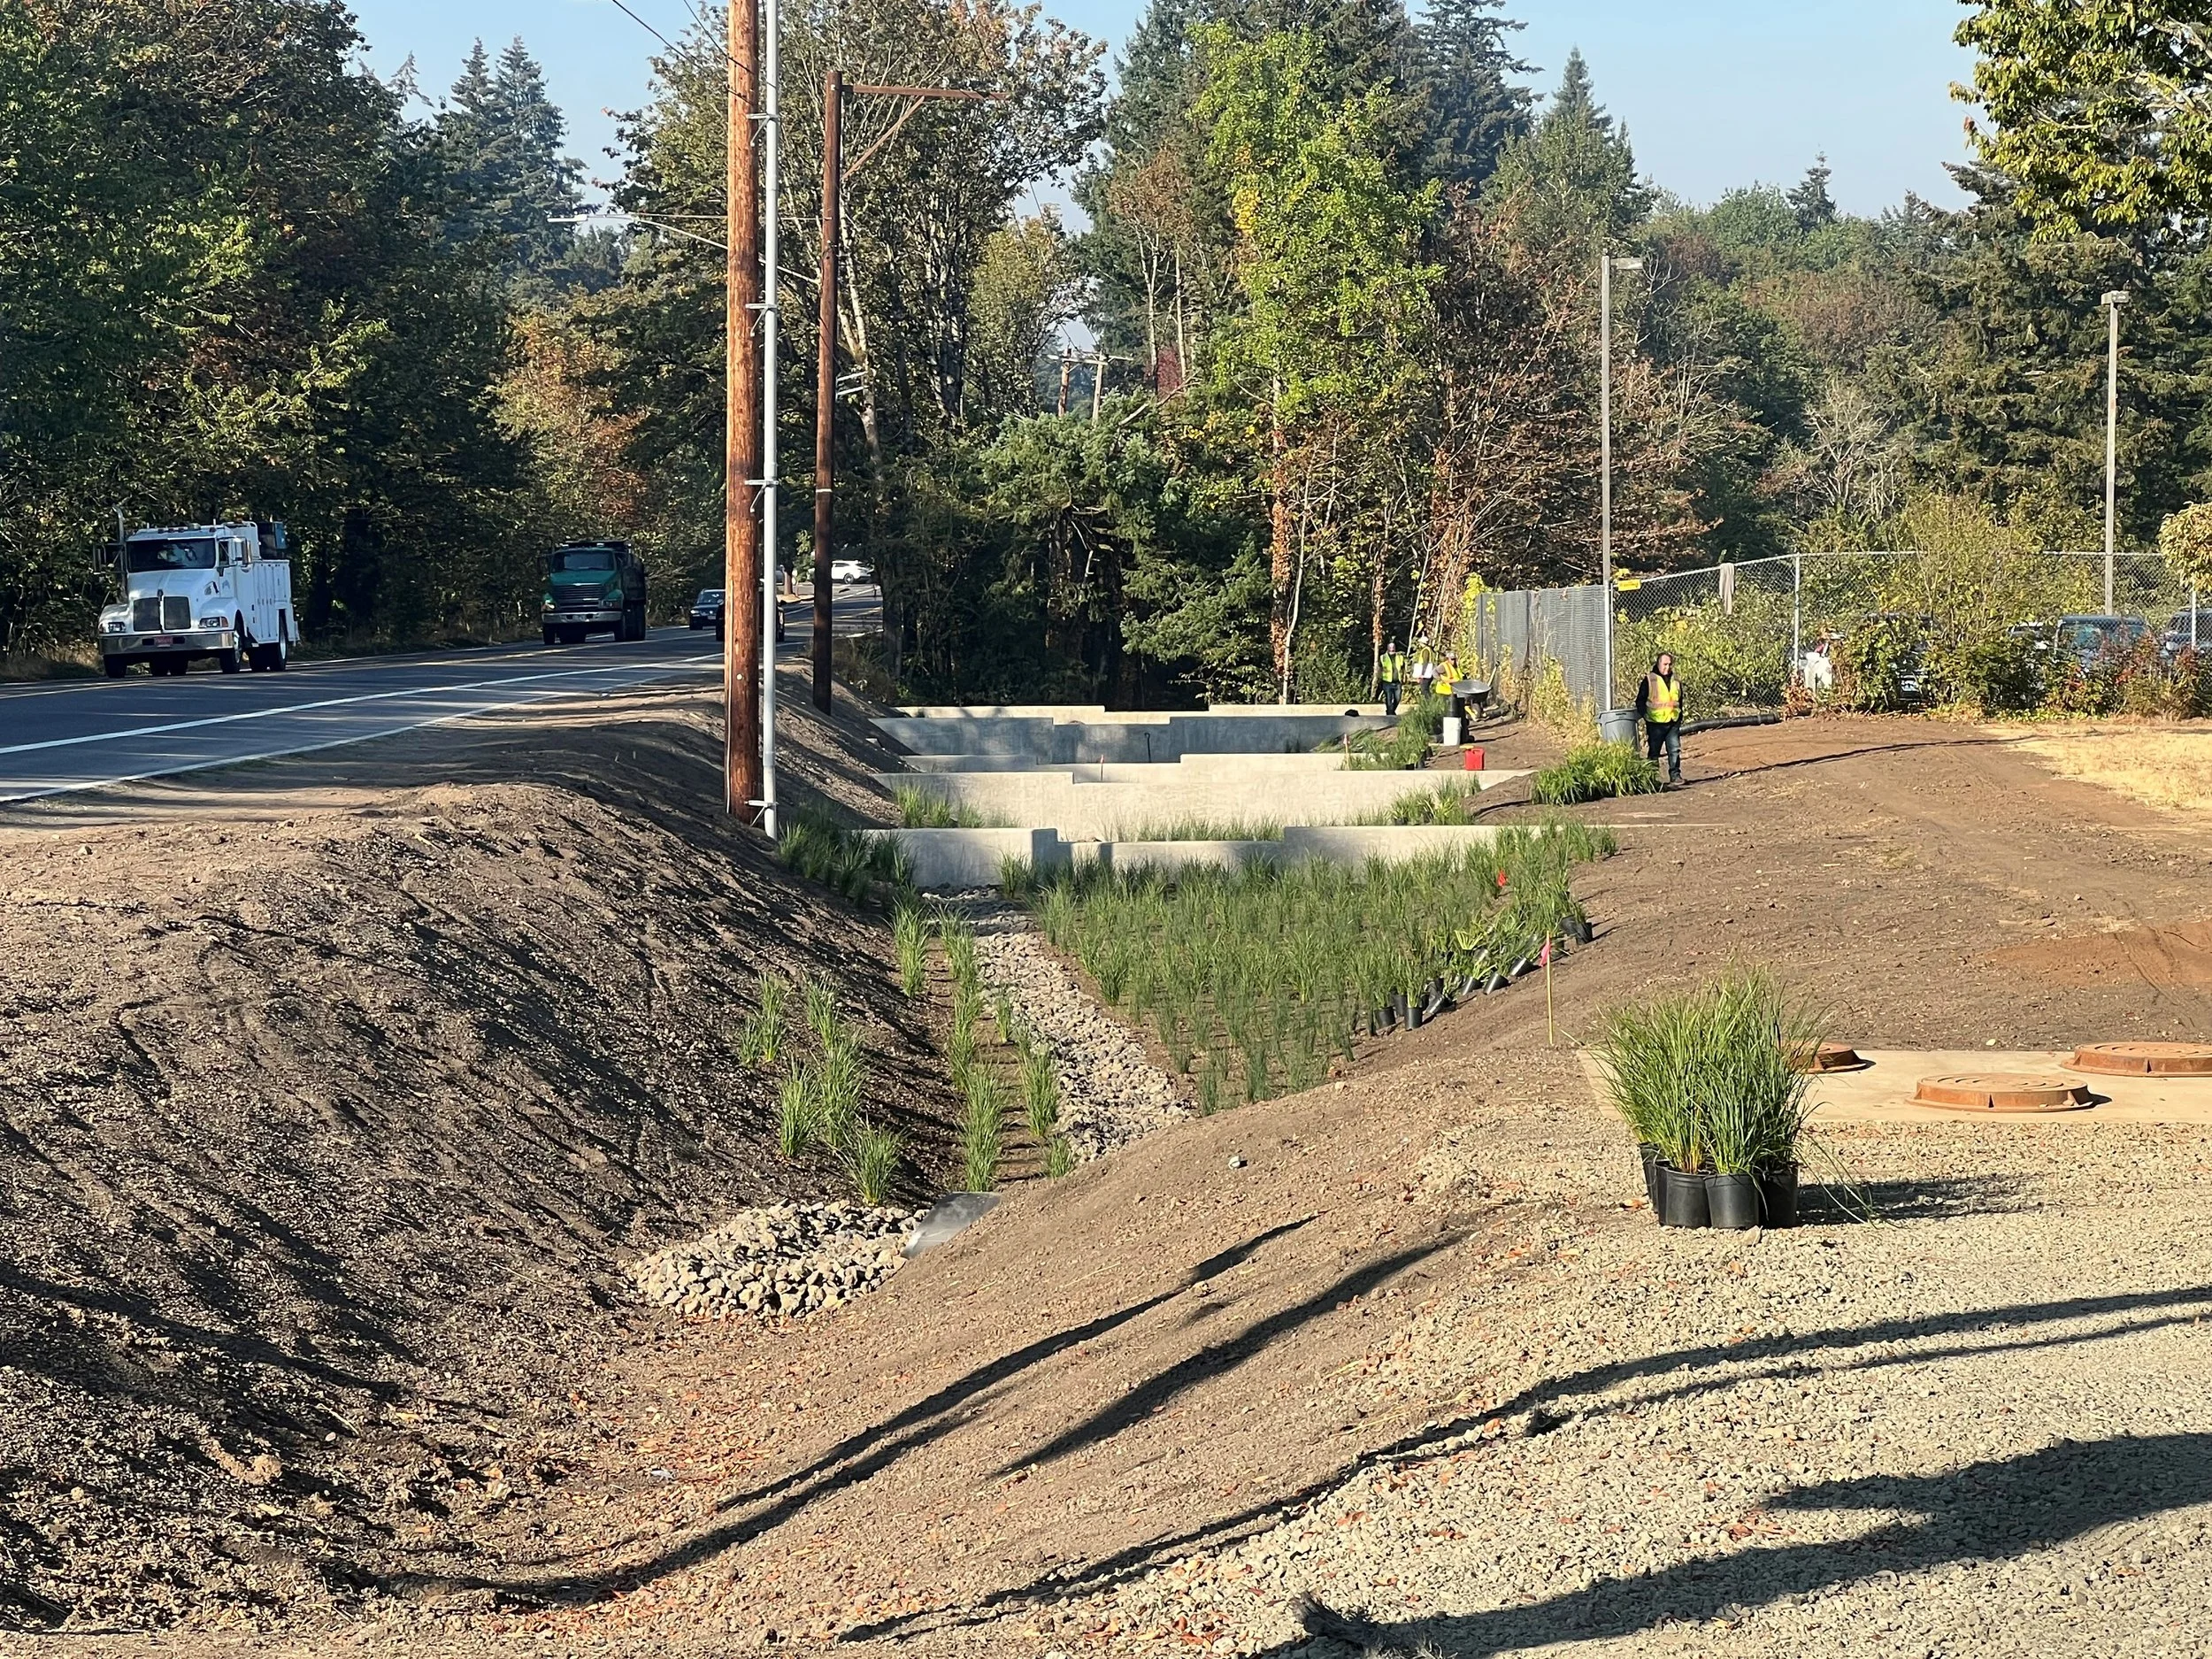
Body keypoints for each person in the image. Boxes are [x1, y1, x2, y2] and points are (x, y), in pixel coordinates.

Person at [1635, 651, 1685, 785]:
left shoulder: (1676, 680)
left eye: (1669, 664)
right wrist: (1645, 715)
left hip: (1673, 721)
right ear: (1658, 664)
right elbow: (1640, 700)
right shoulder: (1649, 680)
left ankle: (1675, 776)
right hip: (1655, 722)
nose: (1667, 667)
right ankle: (1651, 778)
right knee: (1654, 751)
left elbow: (1680, 700)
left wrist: (1680, 716)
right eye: (1665, 664)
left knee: (1674, 749)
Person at [1378, 643, 1408, 717]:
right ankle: (1390, 713)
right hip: (1387, 681)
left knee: (1398, 698)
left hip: (1397, 681)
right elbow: (1379, 669)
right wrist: (1379, 678)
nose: (1392, 649)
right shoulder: (1383, 657)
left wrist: (1405, 677)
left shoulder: (1400, 657)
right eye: (1390, 647)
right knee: (1389, 699)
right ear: (1387, 648)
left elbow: (1403, 668)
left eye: (1393, 647)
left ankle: (1391, 710)